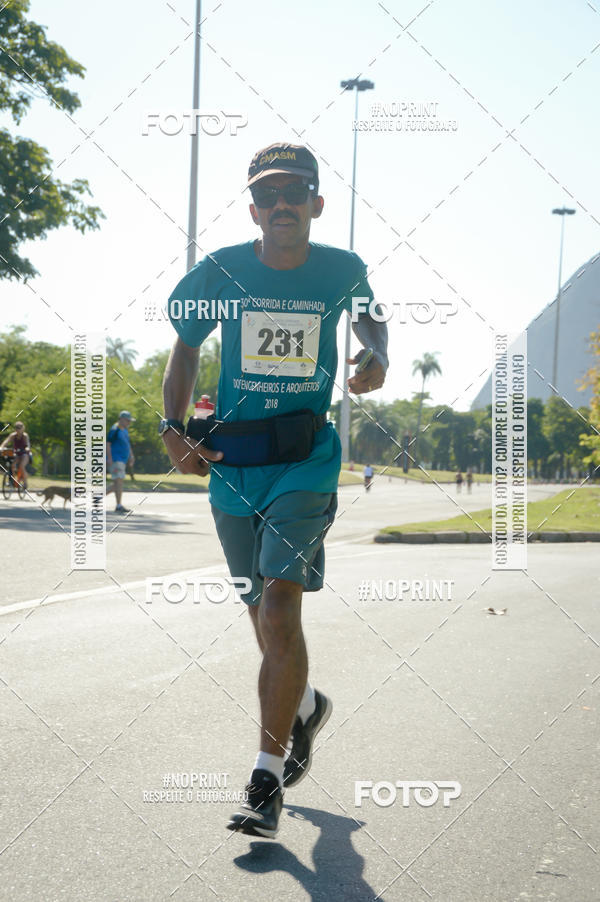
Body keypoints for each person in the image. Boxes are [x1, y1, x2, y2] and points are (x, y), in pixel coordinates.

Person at [161, 142, 388, 839]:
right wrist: (174, 428)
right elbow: (187, 348)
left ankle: (265, 779)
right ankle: (307, 704)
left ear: (316, 204)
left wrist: (377, 354)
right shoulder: (220, 272)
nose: (281, 204)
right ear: (253, 209)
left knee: (281, 605)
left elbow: (372, 314)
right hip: (234, 464)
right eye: (268, 195)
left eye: (295, 192)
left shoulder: (343, 270)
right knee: (262, 616)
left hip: (306, 458)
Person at [105, 411, 135, 513]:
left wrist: (131, 456)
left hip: (122, 460)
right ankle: (118, 505)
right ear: (121, 419)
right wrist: (109, 458)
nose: (129, 423)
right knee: (119, 482)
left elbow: (127, 444)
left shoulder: (124, 430)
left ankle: (98, 497)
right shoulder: (115, 429)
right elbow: (108, 444)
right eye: (127, 420)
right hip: (116, 459)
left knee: (117, 483)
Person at [0, 421, 31, 491]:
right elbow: (6, 442)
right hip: (17, 454)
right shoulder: (13, 435)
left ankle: (25, 482)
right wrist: (1, 447)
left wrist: (27, 448)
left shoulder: (25, 436)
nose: (18, 429)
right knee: (12, 465)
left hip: (24, 454)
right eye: (16, 428)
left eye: (19, 428)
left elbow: (27, 444)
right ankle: (13, 481)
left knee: (21, 466)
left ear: (23, 428)